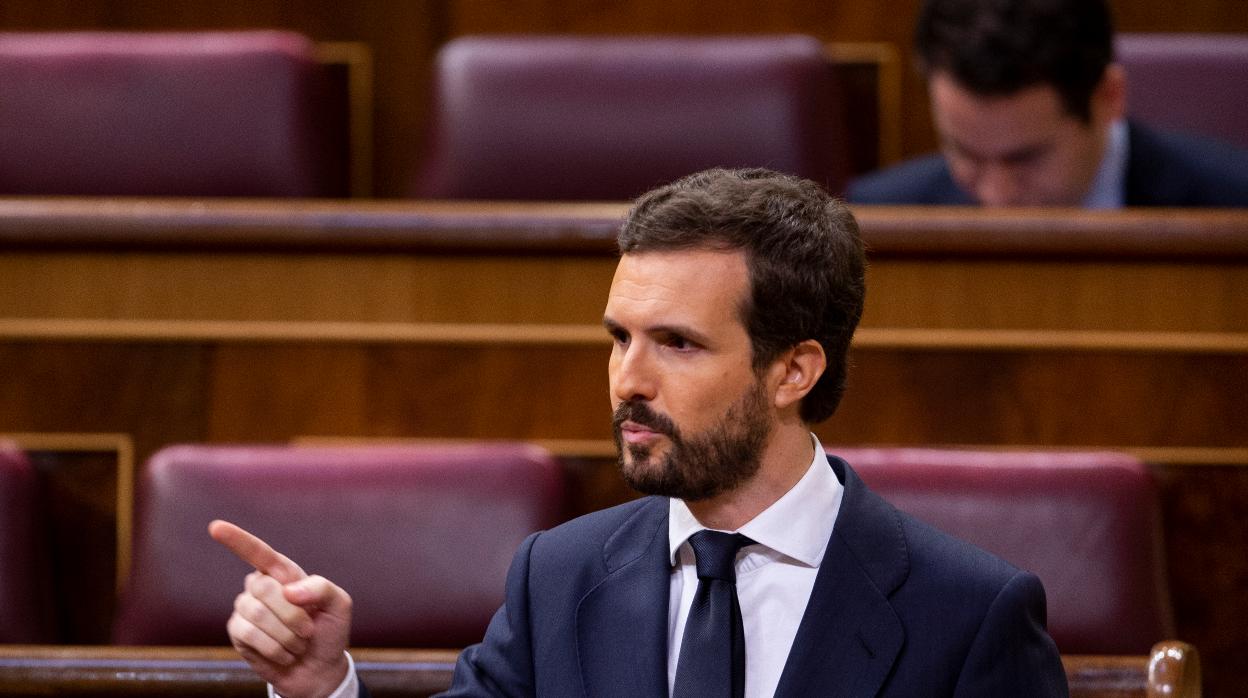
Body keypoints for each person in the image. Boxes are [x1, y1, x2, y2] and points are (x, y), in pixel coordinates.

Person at [212, 167, 1069, 697]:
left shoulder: (968, 614)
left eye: (678, 344)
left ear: (793, 371)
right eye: (620, 337)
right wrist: (322, 685)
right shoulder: (560, 575)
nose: (629, 378)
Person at [846, 0, 1248, 207]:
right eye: (965, 152)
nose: (996, 196)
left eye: (1025, 159)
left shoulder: (1233, 207)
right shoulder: (879, 220)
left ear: (1108, 98)